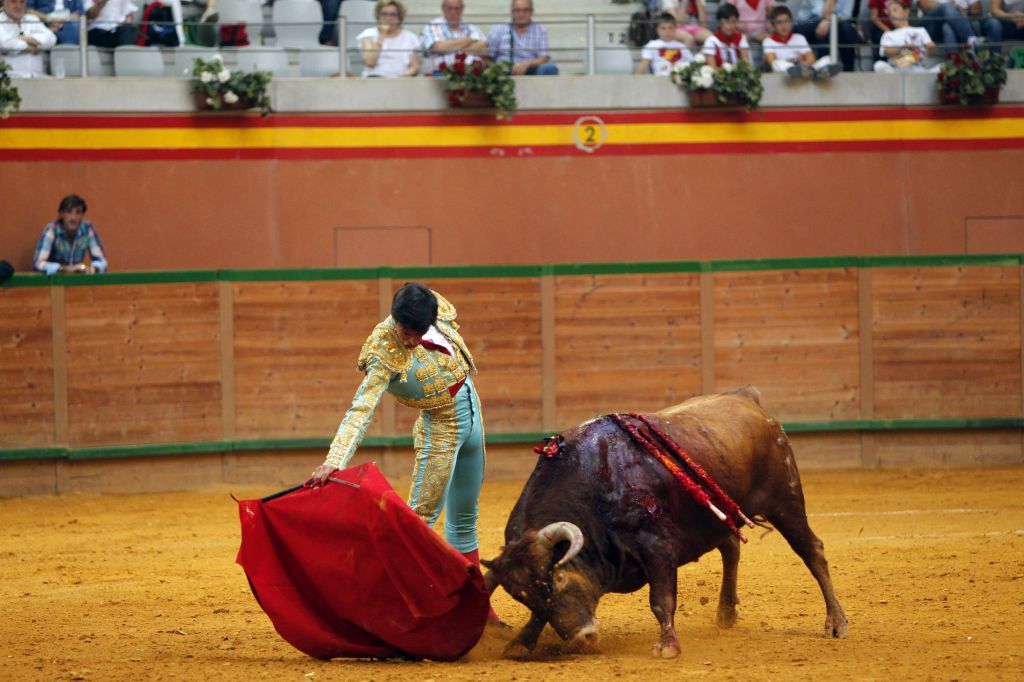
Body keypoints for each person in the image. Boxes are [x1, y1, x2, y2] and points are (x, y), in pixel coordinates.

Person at [309, 283, 499, 623]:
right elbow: (361, 410)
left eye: (417, 332)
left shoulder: (435, 309)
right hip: (440, 429)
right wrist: (334, 460)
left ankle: (479, 611)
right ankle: (393, 611)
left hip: (473, 416)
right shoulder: (383, 351)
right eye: (405, 332)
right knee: (417, 525)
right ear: (394, 320)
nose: (409, 340)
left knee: (465, 519)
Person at [33, 194, 108, 275]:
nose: (73, 218)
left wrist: (94, 268)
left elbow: (102, 261)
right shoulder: (52, 230)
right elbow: (38, 263)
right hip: (54, 282)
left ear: (82, 215)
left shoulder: (88, 229)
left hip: (77, 283)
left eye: (78, 213)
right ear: (61, 214)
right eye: (69, 212)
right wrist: (64, 269)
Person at [487, 0, 557, 75]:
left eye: (525, 10)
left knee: (550, 68)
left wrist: (527, 64)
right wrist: (496, 69)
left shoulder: (540, 29)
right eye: (517, 10)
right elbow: (487, 57)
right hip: (503, 71)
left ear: (531, 12)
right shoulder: (499, 28)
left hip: (530, 69)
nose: (521, 14)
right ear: (512, 12)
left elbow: (544, 57)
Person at [421, 0, 487, 75]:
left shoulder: (471, 26)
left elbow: (483, 47)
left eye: (456, 8)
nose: (453, 12)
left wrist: (451, 47)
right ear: (443, 8)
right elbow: (439, 48)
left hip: (471, 74)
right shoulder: (434, 25)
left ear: (462, 9)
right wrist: (469, 40)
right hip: (440, 74)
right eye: (450, 8)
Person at [358, 0, 420, 77]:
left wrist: (400, 78)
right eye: (384, 14)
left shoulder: (410, 37)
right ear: (378, 16)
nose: (388, 18)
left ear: (400, 17)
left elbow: (414, 67)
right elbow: (370, 63)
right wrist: (382, 36)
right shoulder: (368, 34)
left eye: (393, 14)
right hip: (374, 78)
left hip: (400, 80)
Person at [793, 0, 859, 72]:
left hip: (835, 21)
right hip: (809, 20)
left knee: (847, 30)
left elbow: (846, 15)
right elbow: (821, 12)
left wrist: (830, 20)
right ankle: (823, 70)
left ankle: (848, 70)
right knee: (826, 30)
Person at [874, 0, 938, 71]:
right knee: (879, 65)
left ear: (906, 12)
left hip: (919, 67)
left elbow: (931, 52)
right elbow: (886, 52)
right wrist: (903, 47)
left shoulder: (920, 30)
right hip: (898, 68)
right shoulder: (888, 34)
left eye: (895, 10)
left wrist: (931, 47)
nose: (891, 14)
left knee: (942, 66)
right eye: (889, 13)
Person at [917, 0, 1001, 54]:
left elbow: (978, 10)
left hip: (960, 24)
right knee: (947, 7)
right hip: (932, 26)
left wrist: (967, 11)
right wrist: (952, 8)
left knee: (948, 27)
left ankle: (955, 66)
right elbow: (924, 4)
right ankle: (971, 39)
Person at [0, 0, 56, 77]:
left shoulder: (32, 19)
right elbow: (5, 44)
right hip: (10, 79)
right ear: (3, 2)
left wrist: (23, 38)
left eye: (22, 2)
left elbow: (51, 39)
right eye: (13, 1)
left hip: (38, 77)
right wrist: (35, 47)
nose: (18, 6)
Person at [762, 4, 820, 76]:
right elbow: (773, 64)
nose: (783, 26)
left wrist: (791, 63)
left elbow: (811, 59)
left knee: (826, 60)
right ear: (773, 25)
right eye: (779, 22)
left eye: (786, 21)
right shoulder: (768, 41)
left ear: (791, 22)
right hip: (780, 78)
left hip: (802, 76)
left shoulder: (800, 38)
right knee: (779, 64)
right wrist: (798, 62)